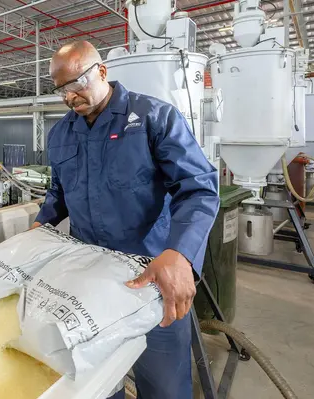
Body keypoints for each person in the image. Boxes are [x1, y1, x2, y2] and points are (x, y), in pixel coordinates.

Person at [32, 41, 220, 399]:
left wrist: (181, 254)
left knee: (164, 387)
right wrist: (40, 227)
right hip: (90, 284)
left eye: (77, 83)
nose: (70, 97)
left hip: (151, 282)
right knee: (100, 383)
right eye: (61, 90)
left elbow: (198, 188)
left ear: (101, 72)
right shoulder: (60, 134)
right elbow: (59, 193)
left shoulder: (154, 118)